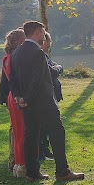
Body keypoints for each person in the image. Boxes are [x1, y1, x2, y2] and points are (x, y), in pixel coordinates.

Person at [9, 21, 83, 182]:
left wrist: (19, 97)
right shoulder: (38, 52)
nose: (44, 36)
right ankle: (63, 171)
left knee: (31, 136)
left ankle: (32, 173)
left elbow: (12, 79)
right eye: (42, 33)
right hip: (43, 102)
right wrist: (27, 98)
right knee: (57, 132)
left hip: (26, 103)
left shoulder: (16, 53)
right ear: (36, 33)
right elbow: (38, 79)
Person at [0, 29, 26, 177]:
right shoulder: (15, 58)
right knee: (21, 131)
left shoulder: (6, 57)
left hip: (11, 95)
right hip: (17, 96)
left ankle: (16, 163)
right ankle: (21, 164)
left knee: (16, 130)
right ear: (18, 41)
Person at [37, 31, 63, 160]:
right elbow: (52, 71)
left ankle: (45, 150)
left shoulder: (45, 56)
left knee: (46, 127)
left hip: (51, 94)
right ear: (44, 41)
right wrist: (59, 67)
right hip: (46, 96)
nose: (50, 44)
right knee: (44, 126)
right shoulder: (40, 56)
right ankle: (42, 151)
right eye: (49, 41)